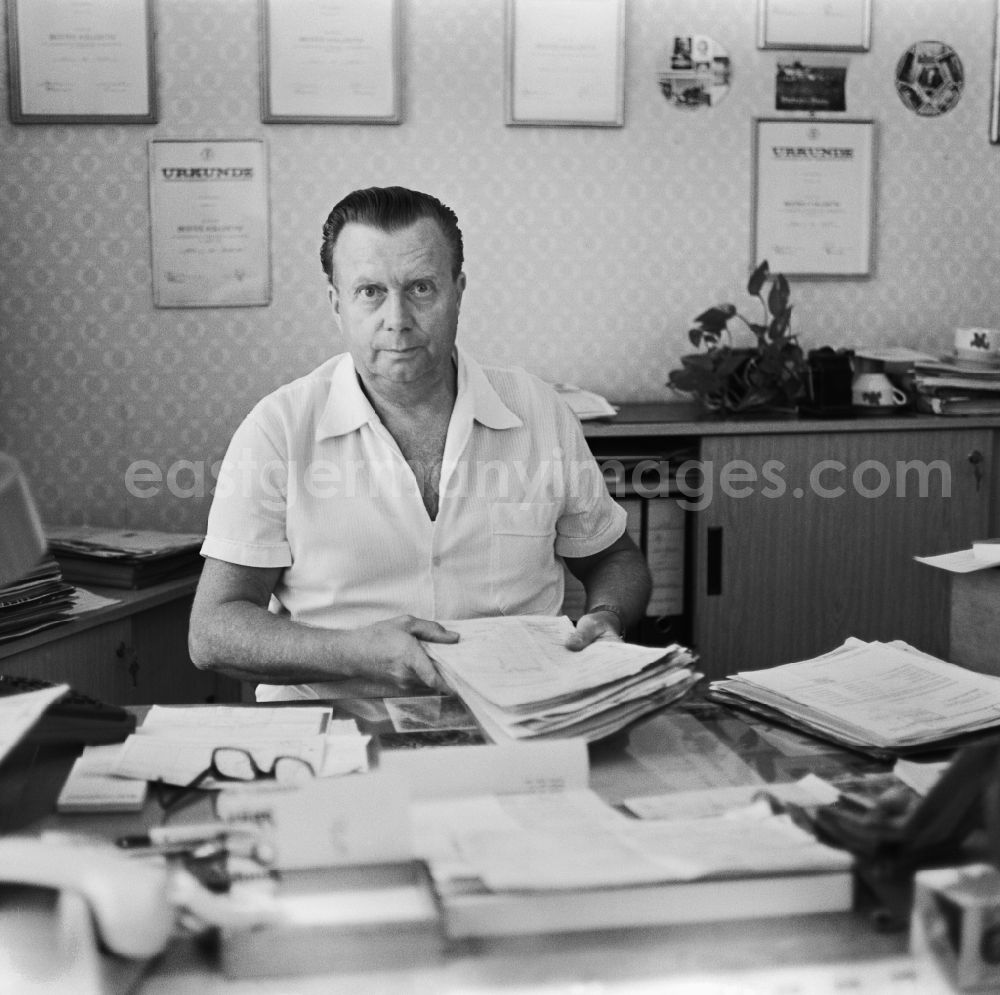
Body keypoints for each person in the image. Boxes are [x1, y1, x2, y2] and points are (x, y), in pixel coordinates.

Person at [188, 186, 652, 700]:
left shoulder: (537, 411)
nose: (398, 319)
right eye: (370, 292)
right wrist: (351, 653)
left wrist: (607, 617)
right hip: (334, 735)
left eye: (421, 288)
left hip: (516, 721)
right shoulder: (278, 428)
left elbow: (614, 558)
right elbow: (213, 630)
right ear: (335, 303)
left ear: (458, 290)